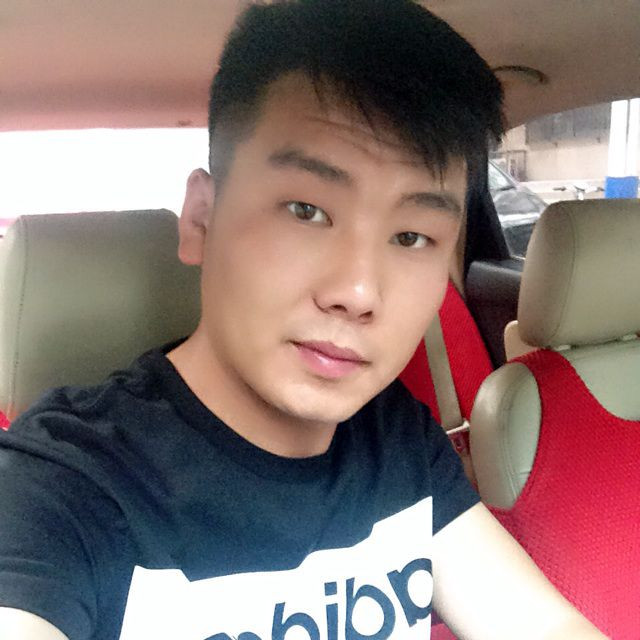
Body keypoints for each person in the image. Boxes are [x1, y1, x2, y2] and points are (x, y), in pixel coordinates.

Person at [0, 1, 608, 639]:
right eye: (306, 210)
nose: (358, 292)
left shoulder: (397, 441)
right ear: (201, 219)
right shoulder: (62, 485)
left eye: (411, 236)